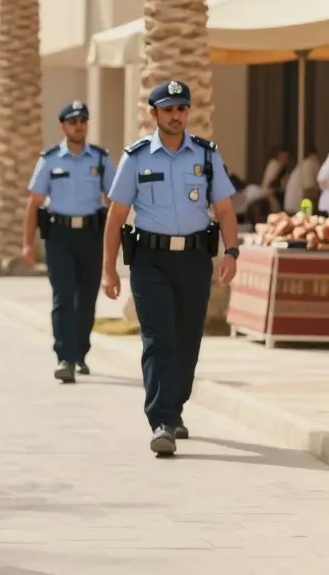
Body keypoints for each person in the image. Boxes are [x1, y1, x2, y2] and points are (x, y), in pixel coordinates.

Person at [102, 80, 239, 457]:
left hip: (195, 259)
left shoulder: (207, 156)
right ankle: (161, 421)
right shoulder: (137, 157)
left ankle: (174, 408)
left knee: (186, 340)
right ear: (154, 114)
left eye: (182, 108)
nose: (176, 115)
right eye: (168, 109)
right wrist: (109, 271)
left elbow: (225, 210)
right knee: (159, 338)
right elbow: (116, 217)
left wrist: (232, 253)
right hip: (150, 260)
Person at [21, 101, 114, 383]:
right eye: (73, 121)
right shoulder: (50, 159)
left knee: (85, 298)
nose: (79, 126)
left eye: (83, 121)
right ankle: (64, 356)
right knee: (63, 296)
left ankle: (80, 352)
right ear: (63, 126)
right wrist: (27, 243)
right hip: (59, 236)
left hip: (90, 235)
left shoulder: (100, 159)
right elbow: (34, 203)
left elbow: (114, 200)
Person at [283, 148, 321, 214]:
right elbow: (309, 189)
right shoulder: (311, 163)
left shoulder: (304, 164)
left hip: (290, 205)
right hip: (297, 207)